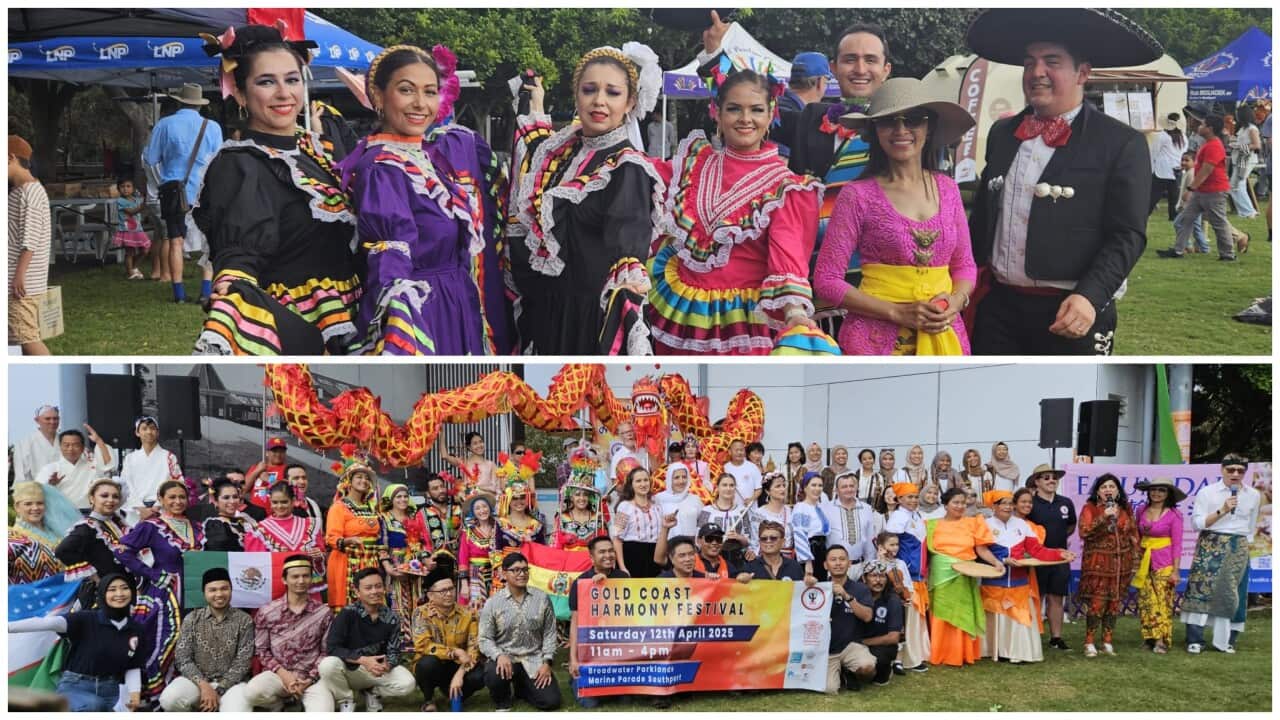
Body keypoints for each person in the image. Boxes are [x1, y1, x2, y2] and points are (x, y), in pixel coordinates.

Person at [966, 9, 1158, 354]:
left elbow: (1127, 234)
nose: (1037, 73)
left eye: (1051, 61)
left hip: (1072, 309)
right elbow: (982, 215)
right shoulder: (1003, 133)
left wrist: (1090, 296)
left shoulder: (1121, 143)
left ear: (1083, 72)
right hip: (998, 308)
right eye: (1029, 63)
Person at [194, 26, 360, 354]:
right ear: (240, 94)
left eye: (292, 79)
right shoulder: (240, 164)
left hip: (353, 313)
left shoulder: (315, 149)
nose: (284, 93)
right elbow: (239, 257)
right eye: (266, 81)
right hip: (301, 324)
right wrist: (232, 281)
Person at [646, 63, 823, 355]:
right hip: (683, 312)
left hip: (744, 323)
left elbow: (787, 257)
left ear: (771, 114)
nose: (745, 119)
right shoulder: (693, 166)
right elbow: (642, 175)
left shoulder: (786, 187)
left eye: (756, 110)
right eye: (734, 109)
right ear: (717, 112)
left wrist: (794, 313)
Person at [507, 44, 667, 355]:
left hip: (591, 318)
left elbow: (628, 246)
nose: (599, 101)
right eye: (589, 89)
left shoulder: (627, 167)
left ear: (630, 102)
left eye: (613, 92)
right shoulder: (561, 152)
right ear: (576, 94)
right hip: (550, 312)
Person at [702, 16, 894, 271]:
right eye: (850, 59)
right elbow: (746, 102)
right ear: (833, 69)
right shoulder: (813, 117)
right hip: (811, 272)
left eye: (870, 60)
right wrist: (714, 52)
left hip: (885, 273)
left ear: (886, 69)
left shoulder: (904, 127)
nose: (860, 69)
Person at [336, 45, 492, 355]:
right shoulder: (382, 168)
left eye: (430, 92)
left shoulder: (430, 159)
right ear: (378, 96)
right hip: (425, 312)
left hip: (455, 302)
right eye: (406, 90)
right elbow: (390, 255)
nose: (420, 104)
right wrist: (400, 317)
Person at [815, 77, 977, 355]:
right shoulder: (857, 195)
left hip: (945, 336)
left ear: (929, 126)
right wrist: (896, 313)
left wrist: (956, 301)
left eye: (913, 119)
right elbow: (826, 280)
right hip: (873, 343)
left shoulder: (948, 189)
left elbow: (965, 266)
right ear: (875, 130)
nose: (901, 130)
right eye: (889, 121)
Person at [117, 479, 203, 701]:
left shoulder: (198, 527)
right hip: (165, 593)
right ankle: (154, 697)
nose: (177, 501)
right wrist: (154, 574)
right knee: (164, 640)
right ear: (161, 499)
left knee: (192, 641)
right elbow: (122, 552)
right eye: (172, 497)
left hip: (195, 594)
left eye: (181, 497)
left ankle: (183, 694)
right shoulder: (152, 526)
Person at [8, 574, 145, 711]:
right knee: (94, 705)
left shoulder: (136, 630)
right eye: (112, 589)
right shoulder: (85, 619)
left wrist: (134, 695)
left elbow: (132, 666)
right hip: (76, 688)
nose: (119, 593)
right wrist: (8, 627)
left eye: (124, 588)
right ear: (103, 594)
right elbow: (46, 623)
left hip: (111, 693)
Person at [145, 83, 222, 304]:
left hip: (173, 190)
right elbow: (219, 159)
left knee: (175, 240)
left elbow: (151, 159)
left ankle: (178, 294)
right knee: (210, 241)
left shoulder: (165, 125)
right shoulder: (213, 127)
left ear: (179, 101)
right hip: (207, 190)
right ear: (199, 104)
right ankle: (206, 291)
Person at [982, 490, 1074, 664]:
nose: (1008, 507)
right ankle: (996, 650)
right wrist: (1001, 560)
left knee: (1020, 618)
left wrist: (1059, 554)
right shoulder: (984, 524)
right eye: (1003, 503)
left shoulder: (1023, 525)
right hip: (994, 581)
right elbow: (979, 550)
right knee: (995, 614)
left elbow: (1037, 551)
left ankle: (1016, 651)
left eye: (1010, 503)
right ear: (994, 506)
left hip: (1019, 582)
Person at [1182, 454, 1262, 654]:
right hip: (1211, 543)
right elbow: (1197, 523)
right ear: (1222, 470)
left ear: (1245, 472)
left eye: (1240, 470)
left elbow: (1251, 525)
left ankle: (1226, 640)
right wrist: (1223, 510)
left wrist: (1245, 548)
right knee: (1200, 591)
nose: (1235, 474)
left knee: (1232, 594)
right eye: (1231, 469)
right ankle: (1195, 639)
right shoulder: (1208, 492)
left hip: (1238, 545)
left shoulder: (1253, 494)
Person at [243, 556, 335, 711]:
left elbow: (326, 651)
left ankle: (298, 698)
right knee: (253, 693)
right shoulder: (267, 611)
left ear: (311, 579)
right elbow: (262, 651)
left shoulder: (323, 613)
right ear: (284, 580)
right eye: (295, 576)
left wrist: (309, 678)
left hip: (311, 679)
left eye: (305, 576)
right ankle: (280, 704)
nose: (301, 581)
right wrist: (285, 675)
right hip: (278, 675)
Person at [319, 568, 417, 712]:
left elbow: (394, 650)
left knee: (407, 683)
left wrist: (387, 665)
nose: (374, 591)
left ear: (384, 588)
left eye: (378, 586)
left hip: (377, 669)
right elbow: (333, 648)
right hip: (351, 669)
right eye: (368, 588)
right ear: (358, 592)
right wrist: (363, 660)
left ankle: (372, 692)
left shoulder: (392, 617)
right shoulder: (347, 614)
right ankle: (346, 700)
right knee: (328, 665)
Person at [926, 487, 1004, 667]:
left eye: (963, 502)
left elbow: (981, 549)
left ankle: (962, 653)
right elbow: (926, 555)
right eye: (956, 502)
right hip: (941, 575)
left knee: (963, 611)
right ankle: (941, 653)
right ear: (945, 505)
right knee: (942, 611)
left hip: (966, 572)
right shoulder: (931, 525)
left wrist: (995, 563)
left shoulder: (973, 522)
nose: (960, 506)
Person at [159, 568, 254, 711]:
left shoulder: (244, 620)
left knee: (240, 711)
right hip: (197, 683)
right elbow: (182, 658)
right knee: (170, 698)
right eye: (213, 590)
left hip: (233, 684)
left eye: (224, 589)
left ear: (231, 590)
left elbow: (243, 661)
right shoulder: (192, 619)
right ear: (204, 593)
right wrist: (204, 686)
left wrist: (220, 689)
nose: (219, 594)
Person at [478, 552, 563, 710]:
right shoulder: (493, 603)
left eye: (525, 570)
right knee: (493, 672)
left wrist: (547, 663)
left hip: (534, 658)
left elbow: (550, 633)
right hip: (506, 659)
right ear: (504, 573)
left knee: (551, 701)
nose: (521, 574)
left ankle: (522, 689)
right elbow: (484, 639)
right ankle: (502, 700)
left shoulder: (542, 598)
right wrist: (499, 655)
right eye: (515, 570)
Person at [1156, 114, 1239, 261]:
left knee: (1218, 223)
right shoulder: (1207, 143)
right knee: (1185, 220)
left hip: (1214, 191)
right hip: (1202, 191)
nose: (1199, 127)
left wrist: (1190, 189)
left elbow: (1206, 171)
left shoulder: (1214, 145)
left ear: (1210, 129)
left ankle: (1228, 254)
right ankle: (1178, 250)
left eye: (1203, 125)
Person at [1077, 473, 1140, 657]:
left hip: (1121, 563)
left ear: (1118, 491)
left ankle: (1107, 641)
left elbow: (1133, 533)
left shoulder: (1125, 509)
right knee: (1097, 603)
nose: (1108, 490)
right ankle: (1089, 642)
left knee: (1114, 603)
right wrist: (1104, 516)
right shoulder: (1090, 508)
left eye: (1112, 487)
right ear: (1097, 492)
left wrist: (1136, 556)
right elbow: (1084, 532)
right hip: (1098, 563)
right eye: (1104, 487)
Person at [411, 565, 484, 712]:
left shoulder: (468, 614)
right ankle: (428, 699)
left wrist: (460, 673)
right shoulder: (421, 613)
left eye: (451, 589)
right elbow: (423, 645)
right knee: (427, 664)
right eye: (443, 591)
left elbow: (473, 650)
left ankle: (455, 694)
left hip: (458, 665)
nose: (449, 594)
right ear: (430, 595)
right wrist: (454, 651)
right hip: (434, 664)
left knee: (480, 674)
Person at [568, 536, 630, 708]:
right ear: (592, 557)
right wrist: (573, 659)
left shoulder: (624, 578)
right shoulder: (581, 583)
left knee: (625, 700)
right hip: (591, 650)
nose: (608, 555)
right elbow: (575, 623)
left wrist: (607, 585)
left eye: (611, 551)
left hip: (618, 651)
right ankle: (574, 680)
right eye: (602, 552)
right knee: (590, 703)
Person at [8, 134, 52, 354]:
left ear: (9, 158)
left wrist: (19, 275)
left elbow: (31, 238)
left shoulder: (31, 192)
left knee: (27, 337)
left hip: (22, 284)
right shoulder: (17, 192)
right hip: (18, 282)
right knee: (22, 337)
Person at [55, 478, 130, 607]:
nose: (110, 500)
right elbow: (62, 551)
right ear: (92, 499)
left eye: (115, 496)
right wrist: (94, 576)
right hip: (102, 594)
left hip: (122, 590)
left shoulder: (117, 523)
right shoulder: (87, 527)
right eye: (104, 495)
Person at [1026, 463, 1076, 650]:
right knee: (1035, 597)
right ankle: (1032, 636)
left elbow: (1070, 526)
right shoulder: (1030, 503)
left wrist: (1058, 542)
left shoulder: (1065, 503)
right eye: (1046, 477)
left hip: (1060, 557)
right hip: (1036, 558)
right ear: (1037, 482)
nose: (1051, 480)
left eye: (1054, 477)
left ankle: (1056, 638)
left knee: (1057, 597)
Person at [1133, 477, 1186, 654]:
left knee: (1162, 602)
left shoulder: (1174, 515)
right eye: (1153, 489)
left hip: (1164, 562)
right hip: (1144, 561)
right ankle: (1149, 638)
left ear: (1168, 494)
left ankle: (1162, 640)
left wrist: (1176, 571)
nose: (1156, 493)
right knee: (1147, 601)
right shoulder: (1141, 510)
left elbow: (1177, 544)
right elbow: (1137, 536)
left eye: (1161, 490)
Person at [325, 459, 386, 609]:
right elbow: (331, 538)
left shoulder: (371, 507)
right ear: (349, 481)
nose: (364, 481)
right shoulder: (339, 507)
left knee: (372, 607)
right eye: (359, 477)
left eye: (366, 478)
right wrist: (347, 541)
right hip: (347, 561)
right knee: (349, 608)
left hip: (369, 560)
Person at [884, 482, 930, 672]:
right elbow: (890, 544)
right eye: (908, 497)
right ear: (900, 499)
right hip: (906, 576)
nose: (913, 500)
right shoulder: (898, 518)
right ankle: (906, 658)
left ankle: (917, 654)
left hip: (918, 574)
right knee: (907, 619)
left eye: (914, 496)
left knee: (915, 618)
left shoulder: (916, 515)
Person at [245, 481, 326, 588]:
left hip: (305, 584)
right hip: (276, 585)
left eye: (284, 502)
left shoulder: (310, 525)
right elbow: (255, 563)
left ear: (293, 501)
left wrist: (317, 555)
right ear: (270, 501)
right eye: (275, 502)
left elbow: (321, 552)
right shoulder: (260, 530)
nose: (279, 506)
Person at [823, 545, 876, 694]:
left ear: (849, 563)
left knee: (867, 667)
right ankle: (842, 673)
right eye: (833, 560)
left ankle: (850, 672)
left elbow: (867, 617)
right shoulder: (819, 588)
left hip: (851, 646)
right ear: (825, 565)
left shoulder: (860, 589)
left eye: (842, 559)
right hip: (828, 650)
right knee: (829, 689)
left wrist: (848, 597)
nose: (838, 563)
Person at [379, 483, 429, 635]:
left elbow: (423, 542)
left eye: (405, 496)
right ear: (391, 499)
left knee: (417, 599)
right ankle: (399, 638)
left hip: (414, 565)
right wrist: (388, 567)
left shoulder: (415, 517)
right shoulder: (384, 518)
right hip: (395, 564)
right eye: (398, 497)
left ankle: (416, 637)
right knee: (397, 599)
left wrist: (423, 559)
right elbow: (382, 545)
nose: (403, 500)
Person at [9, 481, 78, 585]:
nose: (35, 508)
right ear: (17, 507)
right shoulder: (12, 537)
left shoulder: (55, 530)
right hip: (30, 595)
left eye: (39, 503)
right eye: (28, 504)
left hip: (67, 591)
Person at [119, 416, 183, 523]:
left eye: (153, 428)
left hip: (162, 508)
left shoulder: (168, 456)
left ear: (157, 432)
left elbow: (177, 483)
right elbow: (125, 485)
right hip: (136, 510)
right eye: (144, 428)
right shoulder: (130, 458)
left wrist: (158, 506)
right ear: (137, 433)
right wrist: (139, 507)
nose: (149, 432)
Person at [35, 427, 114, 510]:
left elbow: (108, 465)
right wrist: (50, 485)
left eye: (75, 445)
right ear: (60, 447)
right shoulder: (51, 468)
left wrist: (99, 441)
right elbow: (36, 491)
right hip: (61, 512)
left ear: (83, 447)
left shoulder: (92, 465)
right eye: (66, 445)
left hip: (89, 512)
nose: (70, 449)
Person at [856, 559, 905, 686]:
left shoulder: (893, 600)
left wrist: (864, 643)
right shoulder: (856, 596)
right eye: (873, 576)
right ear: (864, 578)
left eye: (882, 576)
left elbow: (893, 638)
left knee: (878, 671)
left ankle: (885, 671)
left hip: (880, 645)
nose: (878, 580)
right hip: (856, 643)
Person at [612, 466, 663, 578]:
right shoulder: (624, 506)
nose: (643, 484)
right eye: (638, 481)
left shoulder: (657, 506)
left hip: (654, 557)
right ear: (631, 484)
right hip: (632, 556)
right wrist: (622, 567)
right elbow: (617, 539)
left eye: (645, 480)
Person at [697, 473, 757, 567]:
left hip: (736, 560)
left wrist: (738, 537)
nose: (728, 488)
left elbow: (749, 540)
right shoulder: (707, 511)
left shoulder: (742, 510)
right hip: (712, 560)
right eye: (724, 485)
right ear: (717, 487)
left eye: (731, 485)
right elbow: (699, 540)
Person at [823, 471, 878, 567]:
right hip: (835, 567)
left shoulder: (866, 508)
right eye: (844, 487)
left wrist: (870, 564)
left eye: (851, 486)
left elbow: (870, 538)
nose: (849, 489)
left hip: (860, 565)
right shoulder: (826, 508)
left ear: (856, 488)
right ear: (836, 490)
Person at [552, 457, 609, 551]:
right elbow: (555, 548)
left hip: (592, 564)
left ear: (590, 497)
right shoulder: (562, 518)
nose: (582, 498)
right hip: (567, 564)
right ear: (571, 497)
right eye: (577, 495)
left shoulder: (598, 518)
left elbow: (605, 546)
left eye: (585, 495)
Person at [495, 478, 548, 575]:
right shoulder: (500, 523)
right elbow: (494, 549)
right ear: (508, 499)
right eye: (514, 498)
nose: (519, 501)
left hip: (531, 572)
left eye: (522, 497)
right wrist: (500, 570)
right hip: (506, 573)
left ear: (527, 498)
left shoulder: (537, 524)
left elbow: (543, 550)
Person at [458, 494, 499, 609]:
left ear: (490, 508)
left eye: (484, 506)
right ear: (473, 512)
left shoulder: (499, 528)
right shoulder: (468, 532)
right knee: (476, 609)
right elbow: (463, 559)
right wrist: (464, 584)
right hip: (475, 575)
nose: (482, 510)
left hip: (495, 574)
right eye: (477, 508)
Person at [738, 519, 810, 581]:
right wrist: (741, 582)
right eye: (764, 538)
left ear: (783, 542)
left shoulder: (794, 567)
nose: (768, 541)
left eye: (773, 538)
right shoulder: (750, 568)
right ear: (759, 542)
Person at [201, 477, 260, 551]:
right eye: (226, 498)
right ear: (216, 501)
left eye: (235, 497)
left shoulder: (246, 519)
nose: (232, 501)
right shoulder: (215, 525)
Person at [1147, 114, 1186, 221]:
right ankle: (1173, 216)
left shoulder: (1162, 136)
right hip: (1177, 170)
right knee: (1174, 197)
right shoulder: (1183, 137)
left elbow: (1153, 153)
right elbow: (1184, 153)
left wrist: (1151, 169)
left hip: (1162, 170)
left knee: (1154, 195)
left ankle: (1146, 212)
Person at [113, 177, 152, 280]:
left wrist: (145, 203)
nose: (125, 189)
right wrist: (143, 206)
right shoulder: (120, 201)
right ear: (118, 189)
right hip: (127, 231)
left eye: (128, 186)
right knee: (130, 252)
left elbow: (143, 210)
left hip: (138, 230)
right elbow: (131, 212)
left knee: (145, 249)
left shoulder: (136, 200)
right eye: (122, 187)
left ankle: (134, 267)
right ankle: (130, 272)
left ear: (133, 188)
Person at [416, 471, 463, 555]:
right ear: (428, 494)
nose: (441, 490)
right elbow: (418, 541)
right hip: (433, 562)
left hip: (459, 561)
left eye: (442, 486)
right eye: (435, 488)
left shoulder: (459, 508)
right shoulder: (422, 514)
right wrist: (425, 558)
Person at [440, 432, 498, 497]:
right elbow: (444, 456)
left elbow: (496, 487)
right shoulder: (463, 462)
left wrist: (479, 490)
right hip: (469, 500)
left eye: (480, 442)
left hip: (487, 500)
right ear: (469, 447)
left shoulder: (491, 464)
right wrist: (441, 433)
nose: (479, 445)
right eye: (475, 443)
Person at [1228, 104, 1261, 219]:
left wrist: (1238, 146)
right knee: (1234, 186)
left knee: (1238, 185)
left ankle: (1248, 211)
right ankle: (1245, 211)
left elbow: (1256, 145)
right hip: (1239, 158)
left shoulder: (1252, 129)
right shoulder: (1243, 128)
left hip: (1246, 158)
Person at [655, 462, 704, 538]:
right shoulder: (659, 499)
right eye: (676, 477)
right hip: (667, 546)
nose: (681, 481)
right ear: (669, 479)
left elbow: (702, 525)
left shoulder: (695, 499)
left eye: (684, 477)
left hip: (690, 546)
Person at [12, 404, 60, 483]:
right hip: (36, 491)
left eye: (55, 418)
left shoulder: (65, 441)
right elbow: (21, 476)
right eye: (47, 419)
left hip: (65, 492)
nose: (52, 422)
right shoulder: (24, 444)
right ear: (37, 420)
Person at [751, 473, 795, 556]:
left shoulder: (790, 511)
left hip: (788, 559)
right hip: (766, 559)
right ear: (768, 491)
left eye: (784, 485)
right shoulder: (758, 513)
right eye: (778, 486)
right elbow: (754, 542)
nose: (782, 489)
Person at [244, 436, 290, 511]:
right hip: (255, 514)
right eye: (274, 451)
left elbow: (290, 490)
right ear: (267, 453)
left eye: (281, 451)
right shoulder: (257, 467)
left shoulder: (288, 469)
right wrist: (256, 471)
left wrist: (270, 479)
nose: (278, 454)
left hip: (276, 514)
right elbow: (244, 489)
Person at [286, 463, 326, 532]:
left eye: (304, 478)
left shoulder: (313, 504)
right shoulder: (281, 505)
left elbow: (320, 531)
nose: (302, 481)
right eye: (296, 478)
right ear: (287, 482)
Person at [723, 439, 764, 506]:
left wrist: (751, 499)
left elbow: (759, 489)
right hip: (731, 509)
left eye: (741, 450)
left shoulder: (753, 467)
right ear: (730, 452)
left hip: (750, 509)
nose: (739, 452)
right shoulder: (725, 468)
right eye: (736, 450)